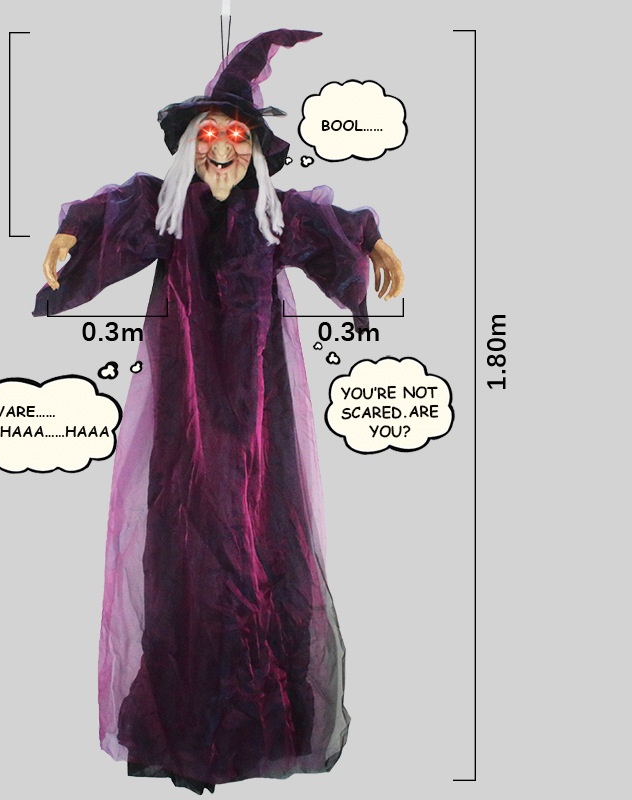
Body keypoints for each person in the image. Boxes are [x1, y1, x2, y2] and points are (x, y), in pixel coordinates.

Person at [33, 29, 403, 794]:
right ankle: (188, 721)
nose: (223, 150)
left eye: (237, 138)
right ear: (190, 149)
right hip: (187, 414)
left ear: (256, 150)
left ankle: (269, 720)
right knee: (186, 546)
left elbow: (335, 231)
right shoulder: (168, 212)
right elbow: (112, 215)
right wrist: (70, 234)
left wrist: (375, 248)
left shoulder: (274, 217)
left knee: (266, 540)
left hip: (263, 417)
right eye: (209, 138)